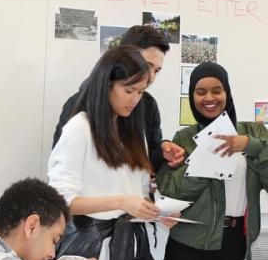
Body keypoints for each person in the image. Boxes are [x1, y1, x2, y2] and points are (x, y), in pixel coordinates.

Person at [156, 62, 268, 260]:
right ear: (192, 97)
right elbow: (172, 192)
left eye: (217, 90)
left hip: (234, 244)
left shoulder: (253, 131)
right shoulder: (184, 139)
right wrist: (206, 162)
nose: (209, 98)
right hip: (187, 245)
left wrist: (251, 145)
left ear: (227, 93)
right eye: (200, 92)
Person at [48, 45, 176, 260]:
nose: (135, 100)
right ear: (107, 85)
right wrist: (121, 201)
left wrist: (158, 211)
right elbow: (61, 200)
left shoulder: (134, 130)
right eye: (129, 90)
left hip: (130, 248)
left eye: (140, 92)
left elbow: (138, 192)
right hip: (88, 248)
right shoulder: (80, 128)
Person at [52, 25, 184, 170]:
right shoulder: (78, 109)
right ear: (124, 57)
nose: (150, 77)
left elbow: (148, 157)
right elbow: (61, 170)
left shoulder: (148, 104)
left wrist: (163, 151)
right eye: (147, 66)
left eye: (156, 71)